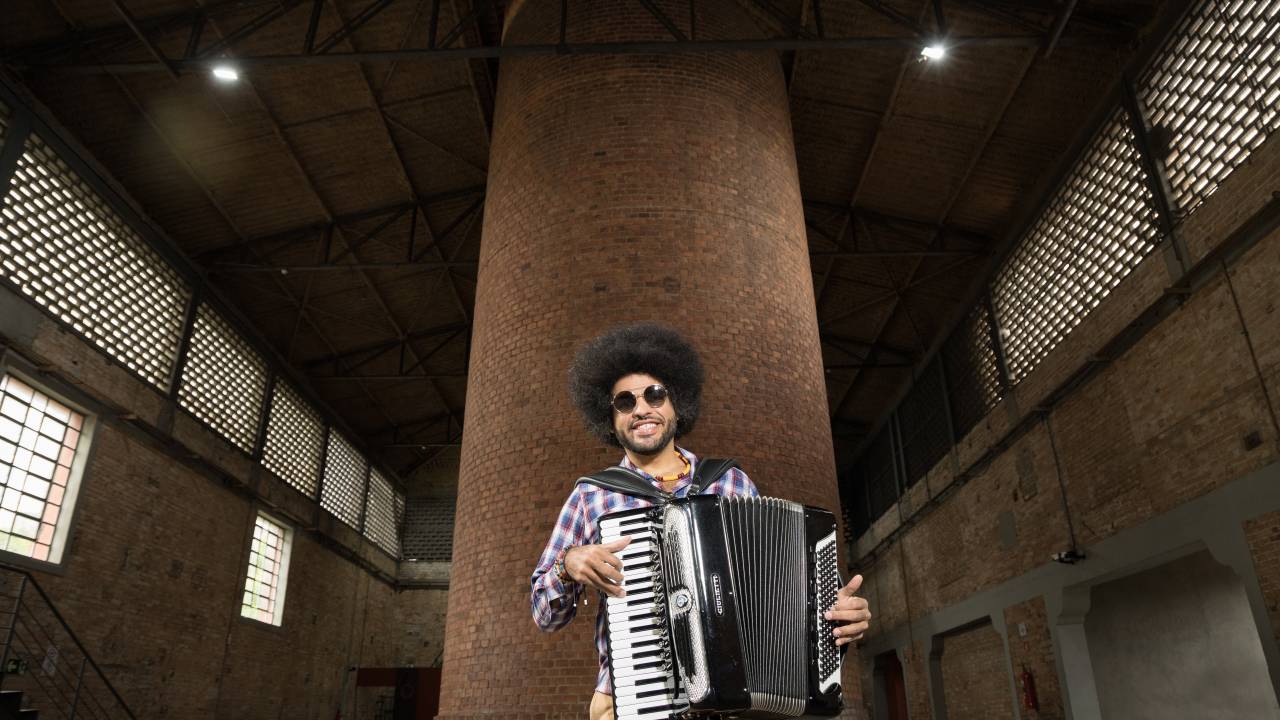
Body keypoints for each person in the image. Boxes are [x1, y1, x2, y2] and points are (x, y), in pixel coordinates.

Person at [530, 323, 872, 720]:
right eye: (624, 402)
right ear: (610, 418)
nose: (641, 409)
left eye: (655, 395)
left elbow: (778, 595)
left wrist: (833, 621)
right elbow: (544, 613)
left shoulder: (730, 483)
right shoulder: (591, 497)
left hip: (733, 707)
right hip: (631, 705)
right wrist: (567, 564)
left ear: (677, 404)